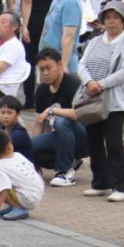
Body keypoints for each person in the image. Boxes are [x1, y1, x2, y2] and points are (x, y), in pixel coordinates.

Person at [77, 0, 124, 200]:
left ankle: (121, 187)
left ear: (123, 21)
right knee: (94, 141)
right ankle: (100, 182)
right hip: (92, 100)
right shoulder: (95, 41)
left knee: (114, 143)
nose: (111, 22)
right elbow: (82, 64)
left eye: (116, 18)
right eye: (108, 17)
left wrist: (101, 84)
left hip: (114, 102)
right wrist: (89, 82)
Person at [31, 48, 87, 185]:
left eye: (49, 68)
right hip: (59, 137)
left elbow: (78, 113)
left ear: (60, 65)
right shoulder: (41, 90)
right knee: (29, 146)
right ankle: (69, 161)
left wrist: (52, 111)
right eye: (41, 69)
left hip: (83, 136)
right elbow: (39, 122)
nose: (45, 73)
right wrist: (33, 159)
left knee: (61, 121)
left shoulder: (73, 84)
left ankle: (64, 171)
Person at [0, 128, 44, 221]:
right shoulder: (18, 155)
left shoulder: (0, 166)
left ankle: (17, 208)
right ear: (10, 145)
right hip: (38, 192)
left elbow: (5, 188)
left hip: (27, 198)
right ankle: (12, 205)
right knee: (12, 183)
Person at [39, 0, 81, 75]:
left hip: (60, 67)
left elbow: (69, 36)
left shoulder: (71, 2)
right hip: (49, 62)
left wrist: (63, 64)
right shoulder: (56, 0)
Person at [0, 11, 29, 97]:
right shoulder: (6, 44)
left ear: (14, 27)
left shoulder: (14, 45)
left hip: (1, 90)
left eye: (3, 22)